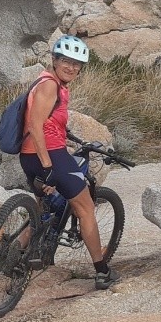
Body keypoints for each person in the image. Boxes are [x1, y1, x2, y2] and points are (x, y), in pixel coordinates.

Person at [17, 35, 119, 290]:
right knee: (85, 208)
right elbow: (35, 125)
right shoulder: (50, 86)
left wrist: (65, 135)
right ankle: (102, 271)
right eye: (66, 61)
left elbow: (46, 120)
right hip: (49, 156)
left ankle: (13, 255)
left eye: (77, 64)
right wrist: (48, 166)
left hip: (28, 157)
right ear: (54, 60)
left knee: (42, 209)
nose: (72, 68)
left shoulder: (44, 81)